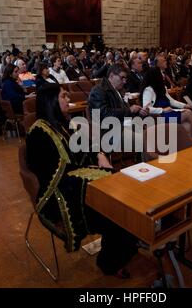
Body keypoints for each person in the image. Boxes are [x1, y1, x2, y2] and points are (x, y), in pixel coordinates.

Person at [26, 83, 139, 278]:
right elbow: (52, 174)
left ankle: (123, 246)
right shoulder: (38, 132)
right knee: (116, 212)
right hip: (59, 195)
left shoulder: (64, 122)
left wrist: (99, 155)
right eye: (63, 96)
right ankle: (110, 262)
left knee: (122, 196)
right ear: (52, 101)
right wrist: (92, 173)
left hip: (76, 183)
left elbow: (85, 145)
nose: (68, 99)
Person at [142, 67, 192, 139]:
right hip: (160, 116)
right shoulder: (149, 90)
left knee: (187, 126)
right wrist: (163, 110)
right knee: (188, 113)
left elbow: (171, 101)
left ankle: (191, 143)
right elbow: (146, 108)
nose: (163, 75)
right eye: (161, 73)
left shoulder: (162, 87)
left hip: (169, 112)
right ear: (156, 75)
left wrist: (184, 105)